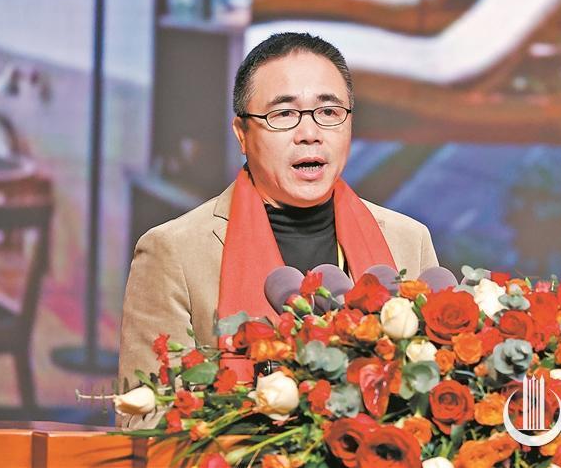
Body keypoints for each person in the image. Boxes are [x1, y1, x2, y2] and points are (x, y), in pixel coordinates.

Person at [117, 32, 438, 428]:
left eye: (329, 111)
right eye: (284, 115)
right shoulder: (173, 252)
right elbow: (143, 423)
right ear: (242, 133)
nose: (310, 133)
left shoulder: (408, 241)